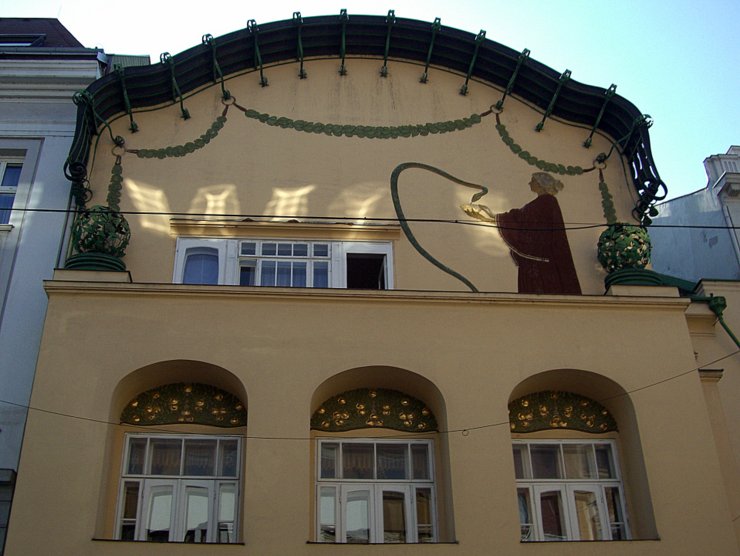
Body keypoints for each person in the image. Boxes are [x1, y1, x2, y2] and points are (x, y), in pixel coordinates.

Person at [461, 172, 581, 294]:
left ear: (540, 184)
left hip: (541, 262)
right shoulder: (540, 203)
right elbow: (519, 219)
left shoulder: (546, 202)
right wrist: (486, 217)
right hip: (533, 261)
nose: (530, 183)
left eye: (532, 181)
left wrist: (491, 217)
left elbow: (521, 220)